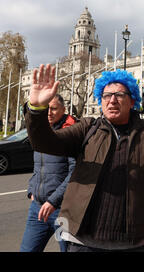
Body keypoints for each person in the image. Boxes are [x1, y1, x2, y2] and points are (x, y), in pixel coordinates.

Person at [24, 64, 144, 252]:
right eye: (106, 95)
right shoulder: (87, 128)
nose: (112, 100)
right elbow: (44, 142)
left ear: (132, 101)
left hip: (129, 243)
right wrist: (37, 109)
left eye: (119, 95)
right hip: (82, 241)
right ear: (100, 101)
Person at [20, 94, 76, 252]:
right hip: (37, 209)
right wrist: (31, 189)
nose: (49, 112)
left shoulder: (71, 134)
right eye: (46, 109)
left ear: (64, 110)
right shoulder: (40, 134)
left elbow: (74, 173)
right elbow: (37, 168)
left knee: (68, 250)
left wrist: (53, 201)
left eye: (54, 108)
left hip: (63, 211)